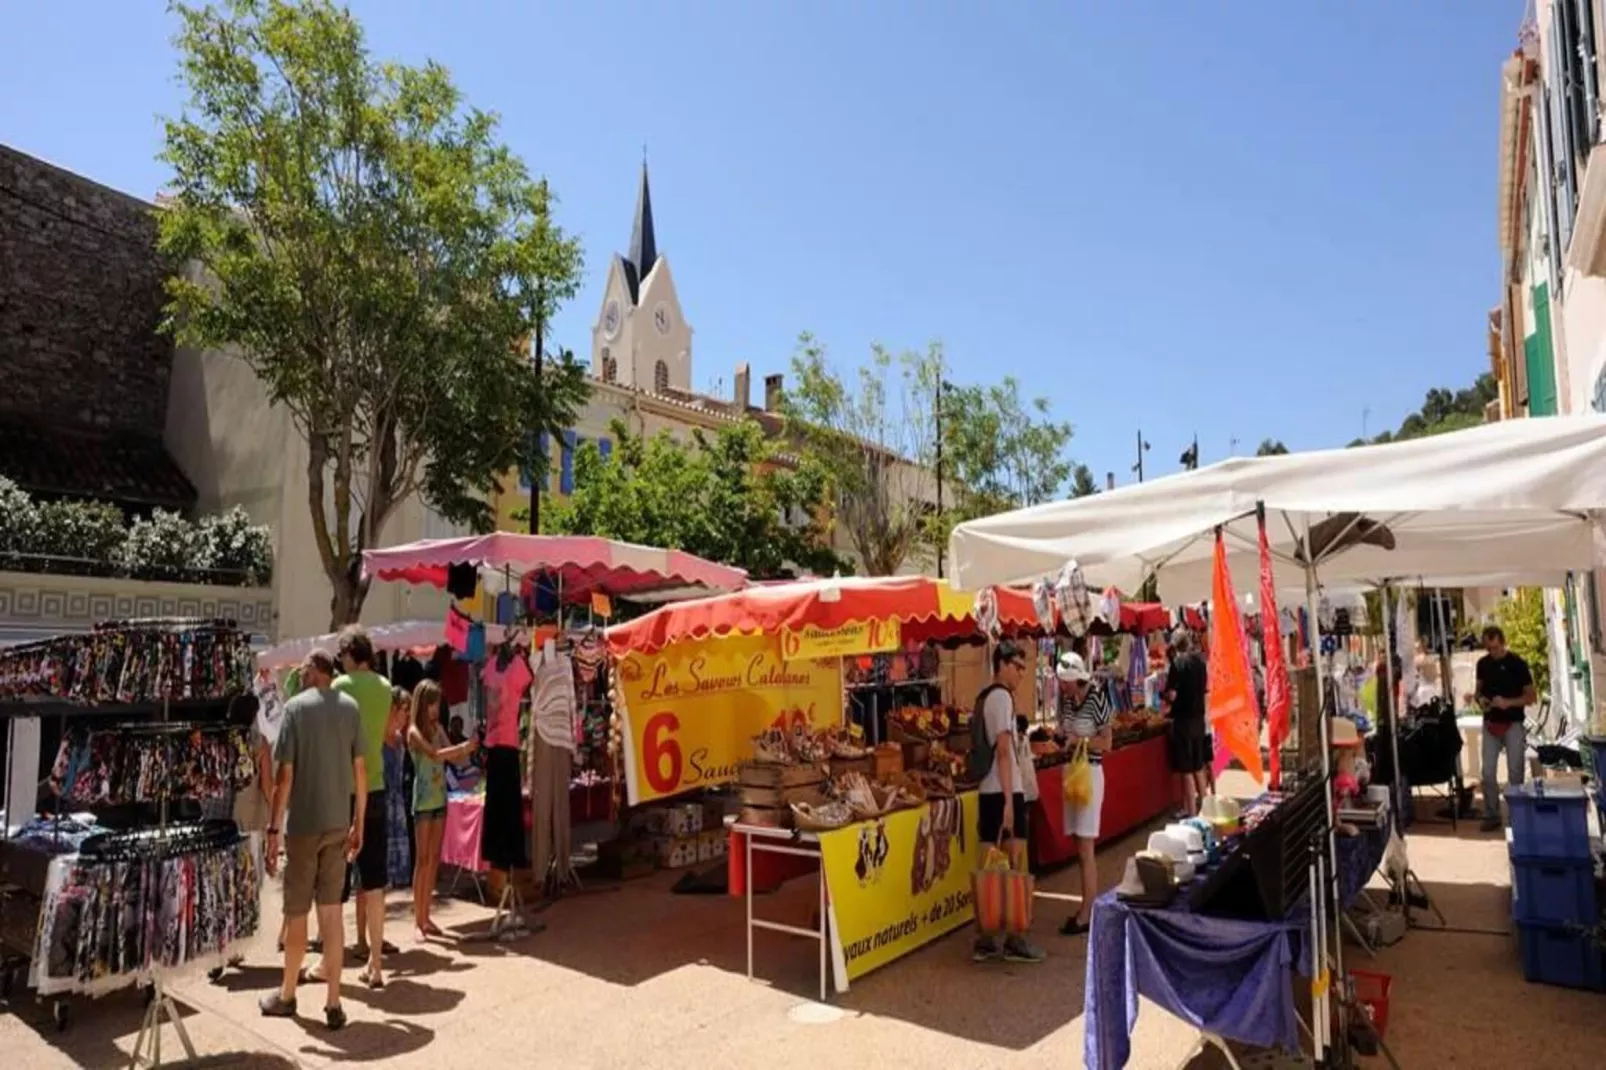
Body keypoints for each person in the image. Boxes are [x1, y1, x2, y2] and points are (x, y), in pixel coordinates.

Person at [259, 650, 364, 1029]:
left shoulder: (296, 710)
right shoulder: (350, 709)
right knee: (332, 915)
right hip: (338, 822)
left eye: (304, 669)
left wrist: (273, 829)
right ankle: (334, 1002)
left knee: (297, 911)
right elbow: (360, 771)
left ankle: (288, 994)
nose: (300, 675)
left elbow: (284, 777)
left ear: (317, 672)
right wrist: (358, 823)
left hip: (303, 825)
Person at [971, 641, 1045, 964]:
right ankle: (1015, 936)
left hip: (991, 790)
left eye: (1024, 667)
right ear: (1000, 664)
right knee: (1015, 863)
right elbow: (1003, 750)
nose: (1020, 673)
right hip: (1003, 790)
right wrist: (1009, 802)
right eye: (1017, 665)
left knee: (989, 861)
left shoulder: (989, 697)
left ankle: (987, 937)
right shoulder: (1000, 698)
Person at [333, 626, 395, 988]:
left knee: (334, 884)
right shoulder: (385, 688)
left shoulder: (340, 688)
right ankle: (375, 964)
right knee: (374, 883)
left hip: (343, 790)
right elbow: (387, 734)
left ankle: (333, 964)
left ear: (349, 654)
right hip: (376, 787)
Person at [407, 679, 477, 939]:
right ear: (422, 704)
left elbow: (454, 756)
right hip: (424, 800)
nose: (435, 710)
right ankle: (418, 920)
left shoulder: (437, 728)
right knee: (422, 860)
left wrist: (466, 749)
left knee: (433, 860)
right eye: (432, 704)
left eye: (437, 704)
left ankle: (426, 917)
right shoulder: (414, 731)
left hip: (439, 799)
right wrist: (460, 749)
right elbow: (435, 755)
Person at [1056, 652, 1113, 936]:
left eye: (1064, 681)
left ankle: (1088, 910)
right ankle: (1085, 905)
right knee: (1079, 843)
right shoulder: (1067, 701)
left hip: (1089, 774)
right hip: (1072, 773)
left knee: (1086, 845)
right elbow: (1064, 730)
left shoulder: (1097, 698)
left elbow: (1108, 742)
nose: (1061, 686)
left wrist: (1082, 741)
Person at [1475, 624, 1536, 832]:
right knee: (1488, 771)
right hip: (1491, 722)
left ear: (1503, 643)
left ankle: (1516, 815)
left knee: (1515, 770)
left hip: (1513, 723)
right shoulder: (1482, 664)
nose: (1492, 652)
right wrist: (1481, 700)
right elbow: (1478, 691)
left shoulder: (1518, 664)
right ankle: (1492, 813)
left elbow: (1531, 697)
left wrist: (1508, 702)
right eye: (1488, 648)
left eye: (1495, 648)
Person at [1163, 631, 1209, 817]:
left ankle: (1190, 812)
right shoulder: (1201, 663)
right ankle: (1206, 808)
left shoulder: (1177, 664)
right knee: (1199, 767)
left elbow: (1172, 695)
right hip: (1199, 719)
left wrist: (1166, 697)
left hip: (1183, 721)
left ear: (1175, 646)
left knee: (1187, 770)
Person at [384, 687, 413, 890]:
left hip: (398, 805)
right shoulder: (378, 738)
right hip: (382, 803)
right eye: (404, 709)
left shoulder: (401, 740)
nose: (407, 715)